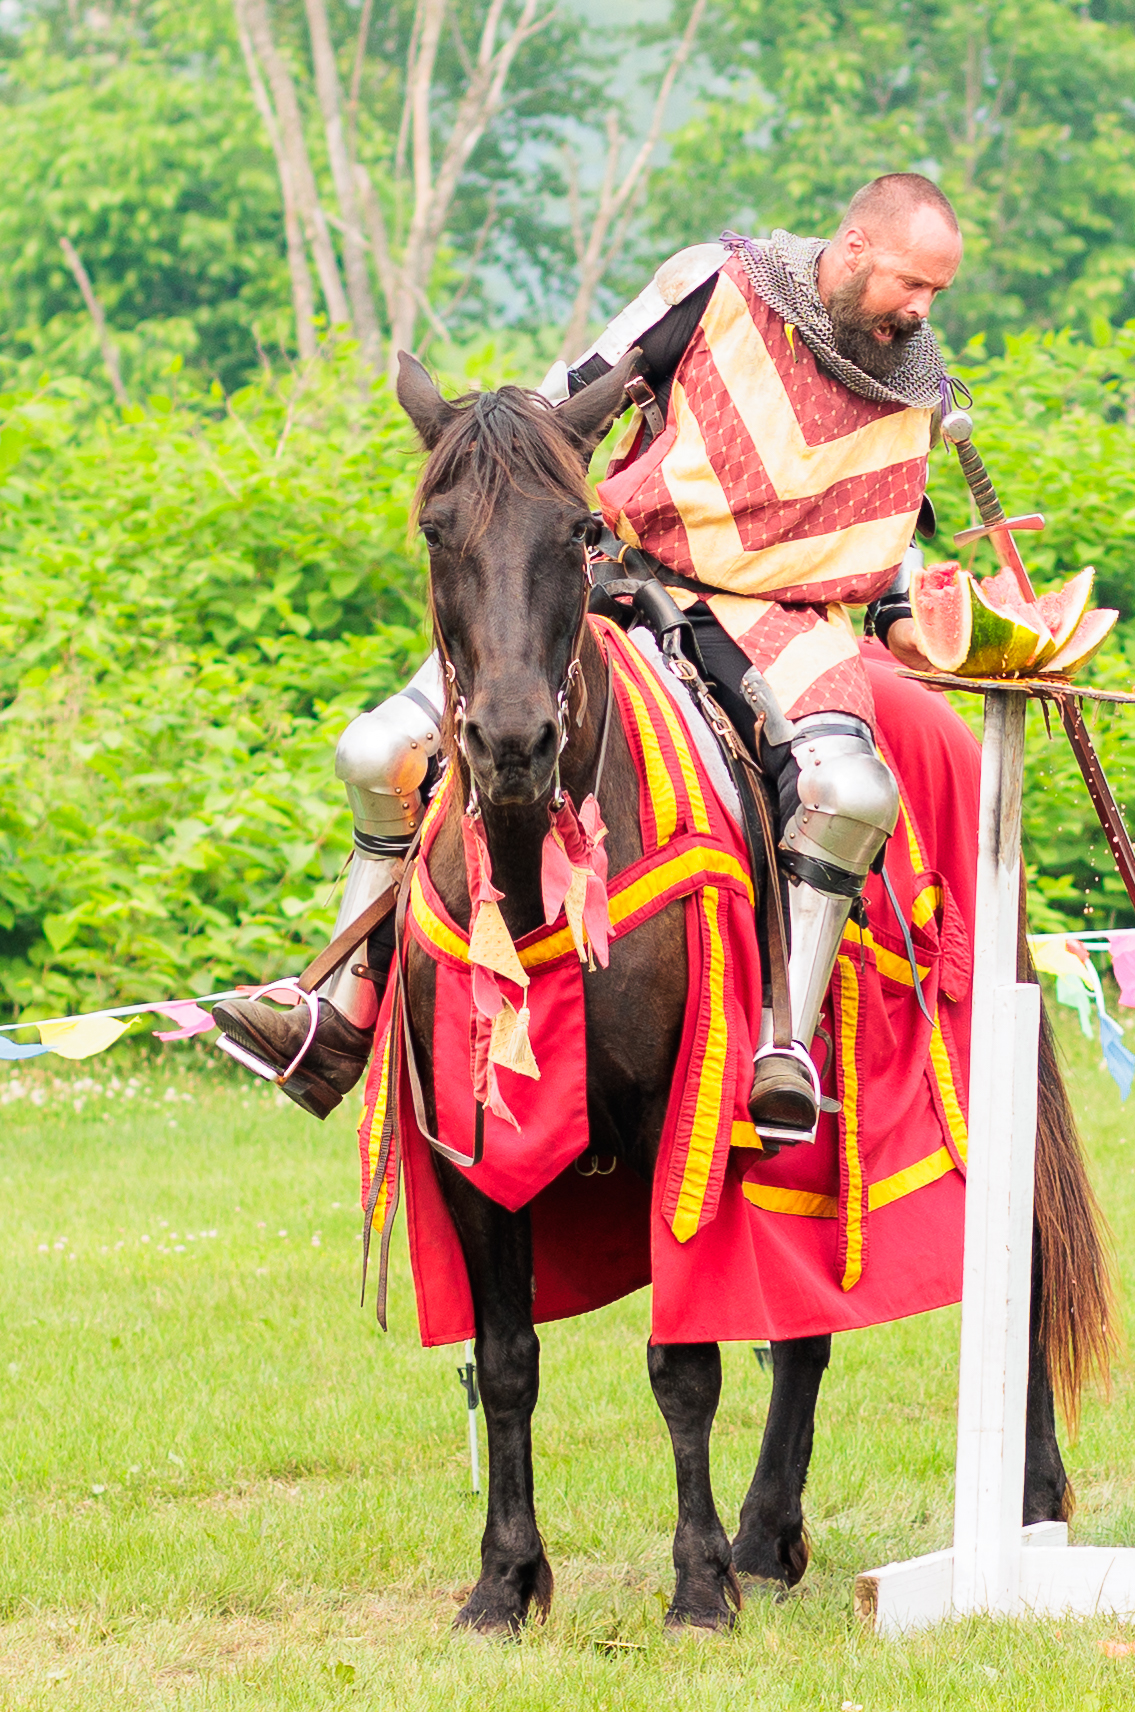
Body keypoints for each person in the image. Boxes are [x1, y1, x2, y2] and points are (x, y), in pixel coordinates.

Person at [214, 173, 962, 1144]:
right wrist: (492, 468)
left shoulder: (915, 377)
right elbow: (572, 403)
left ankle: (786, 1043)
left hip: (792, 624)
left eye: (936, 293)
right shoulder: (716, 287)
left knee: (848, 789)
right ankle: (336, 1012)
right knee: (377, 752)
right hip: (627, 581)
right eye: (911, 282)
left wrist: (914, 616)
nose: (921, 309)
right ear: (854, 246)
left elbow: (891, 520)